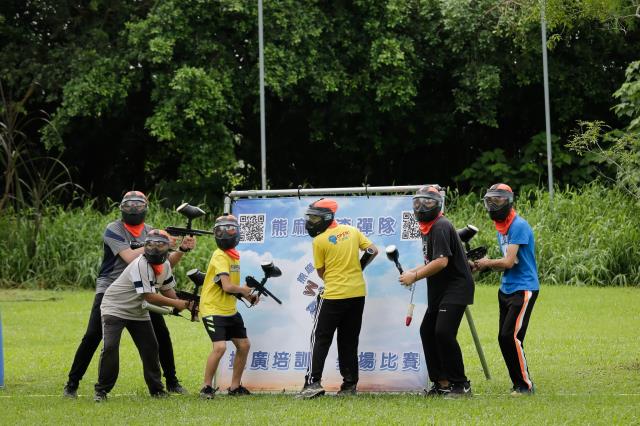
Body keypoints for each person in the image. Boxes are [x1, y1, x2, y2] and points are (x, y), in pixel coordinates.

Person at [63, 191, 195, 398]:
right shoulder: (114, 229)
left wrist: (180, 249)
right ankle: (72, 384)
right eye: (129, 205)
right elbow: (130, 257)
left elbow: (164, 264)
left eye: (138, 205)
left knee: (160, 335)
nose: (134, 209)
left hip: (145, 288)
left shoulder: (151, 231)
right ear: (122, 208)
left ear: (146, 207)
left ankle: (171, 382)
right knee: (93, 336)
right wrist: (157, 242)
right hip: (113, 289)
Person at [94, 230, 194, 401]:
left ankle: (157, 390)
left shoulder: (166, 266)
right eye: (150, 244)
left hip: (138, 311)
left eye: (160, 244)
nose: (154, 248)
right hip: (115, 308)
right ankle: (101, 391)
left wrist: (187, 305)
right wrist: (178, 304)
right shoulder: (141, 263)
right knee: (110, 347)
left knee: (151, 348)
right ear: (144, 246)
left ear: (168, 247)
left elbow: (167, 290)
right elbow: (149, 296)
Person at [398, 186, 474, 398]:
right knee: (427, 332)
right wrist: (414, 270)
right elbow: (432, 261)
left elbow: (441, 262)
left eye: (428, 202)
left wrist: (414, 276)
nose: (421, 207)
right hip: (440, 289)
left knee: (443, 333)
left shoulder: (440, 225)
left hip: (455, 287)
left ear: (438, 204)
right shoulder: (429, 227)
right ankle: (442, 383)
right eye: (417, 202)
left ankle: (461, 384)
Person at [298, 198, 378, 399]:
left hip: (333, 295)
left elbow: (321, 272)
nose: (311, 221)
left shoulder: (319, 241)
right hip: (357, 294)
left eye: (315, 217)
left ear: (327, 217)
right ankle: (349, 386)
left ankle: (312, 383)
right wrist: (359, 267)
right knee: (349, 340)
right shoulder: (352, 231)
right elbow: (372, 250)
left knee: (320, 338)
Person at [474, 183, 539, 396]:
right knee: (504, 338)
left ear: (509, 201)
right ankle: (517, 383)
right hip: (506, 288)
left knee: (511, 337)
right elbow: (505, 262)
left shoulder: (518, 225)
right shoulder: (501, 226)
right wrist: (481, 265)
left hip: (523, 289)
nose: (493, 205)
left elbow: (509, 261)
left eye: (498, 200)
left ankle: (525, 386)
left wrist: (486, 263)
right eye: (490, 200)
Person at [198, 215, 258, 399]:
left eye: (230, 229)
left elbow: (231, 288)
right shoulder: (220, 255)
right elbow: (227, 286)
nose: (225, 233)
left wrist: (246, 295)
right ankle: (206, 387)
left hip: (229, 309)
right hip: (212, 309)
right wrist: (246, 291)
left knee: (244, 345)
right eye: (220, 230)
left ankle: (234, 387)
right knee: (220, 348)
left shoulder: (233, 256)